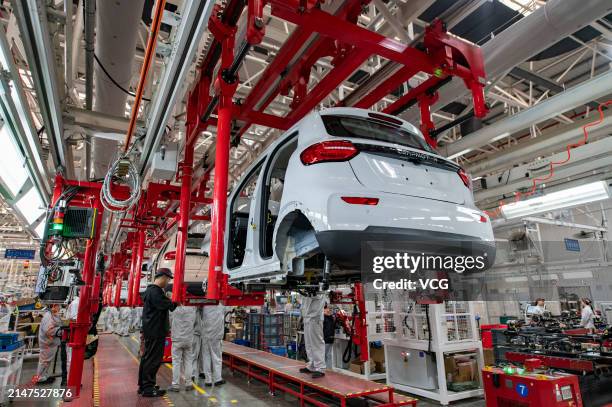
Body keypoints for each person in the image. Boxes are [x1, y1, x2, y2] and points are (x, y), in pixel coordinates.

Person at [138, 268, 177, 397]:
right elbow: (170, 306)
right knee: (153, 359)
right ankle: (148, 388)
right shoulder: (156, 292)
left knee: (147, 358)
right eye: (168, 279)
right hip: (155, 331)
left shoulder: (151, 291)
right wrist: (174, 298)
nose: (168, 282)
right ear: (163, 277)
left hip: (151, 330)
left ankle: (144, 385)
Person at [168, 305, 196, 391]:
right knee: (188, 361)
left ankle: (175, 385)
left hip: (177, 339)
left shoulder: (174, 308)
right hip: (188, 339)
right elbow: (194, 322)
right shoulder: (192, 308)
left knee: (176, 362)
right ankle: (189, 383)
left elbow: (169, 321)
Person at [299, 294, 326, 378]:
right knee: (309, 344)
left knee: (316, 343)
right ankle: (312, 365)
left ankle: (320, 368)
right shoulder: (306, 290)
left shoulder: (319, 288)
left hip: (315, 318)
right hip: (307, 317)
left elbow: (315, 296)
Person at [35, 304, 63, 384]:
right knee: (44, 361)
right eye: (58, 306)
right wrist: (60, 331)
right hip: (47, 343)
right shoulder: (48, 316)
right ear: (53, 306)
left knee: (47, 361)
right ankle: (39, 378)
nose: (59, 307)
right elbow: (49, 331)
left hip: (50, 343)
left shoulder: (52, 314)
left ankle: (44, 376)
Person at [201, 303, 225, 386]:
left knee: (206, 357)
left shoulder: (204, 306)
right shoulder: (221, 306)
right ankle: (218, 379)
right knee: (217, 358)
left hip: (206, 335)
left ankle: (208, 380)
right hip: (216, 336)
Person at [192, 307, 204, 380]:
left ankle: (201, 371)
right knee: (194, 355)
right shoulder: (194, 309)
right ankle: (192, 374)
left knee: (201, 354)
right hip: (195, 334)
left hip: (201, 334)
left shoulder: (200, 310)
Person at [323, 304, 335, 369]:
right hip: (325, 339)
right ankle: (324, 368)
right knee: (325, 355)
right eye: (327, 309)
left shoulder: (330, 318)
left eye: (329, 309)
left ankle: (329, 369)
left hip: (330, 339)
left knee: (328, 355)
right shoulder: (323, 318)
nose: (328, 310)